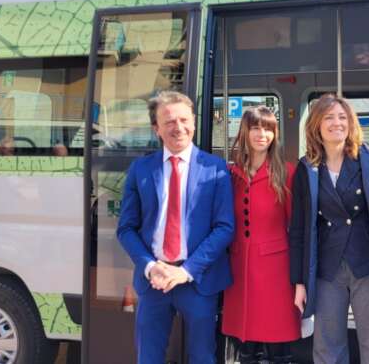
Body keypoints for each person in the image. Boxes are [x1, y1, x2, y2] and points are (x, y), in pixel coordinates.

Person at [116, 90, 234, 364]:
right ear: (156, 129)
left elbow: (224, 227)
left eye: (184, 120)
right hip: (153, 281)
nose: (178, 127)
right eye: (169, 122)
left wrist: (186, 271)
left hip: (198, 280)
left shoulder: (216, 168)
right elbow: (126, 229)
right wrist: (149, 266)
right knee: (149, 357)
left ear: (194, 122)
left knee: (203, 357)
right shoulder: (141, 169)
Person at [289, 93, 369, 364]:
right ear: (316, 125)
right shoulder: (307, 168)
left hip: (368, 264)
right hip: (327, 268)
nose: (337, 123)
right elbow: (298, 229)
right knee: (327, 345)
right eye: (329, 117)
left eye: (343, 117)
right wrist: (299, 281)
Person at [222, 106, 299, 363]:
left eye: (268, 129)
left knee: (278, 347)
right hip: (239, 270)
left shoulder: (286, 172)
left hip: (276, 272)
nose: (262, 134)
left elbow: (296, 227)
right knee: (246, 349)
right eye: (255, 128)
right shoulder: (230, 174)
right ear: (245, 131)